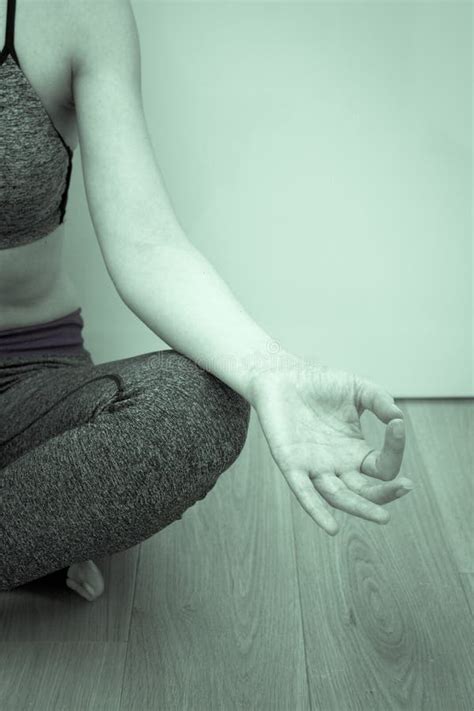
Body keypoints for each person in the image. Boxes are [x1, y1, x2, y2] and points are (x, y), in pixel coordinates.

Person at [0, 0, 414, 602]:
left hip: (25, 389)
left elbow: (147, 245)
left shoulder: (75, 11)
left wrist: (274, 372)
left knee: (199, 405)